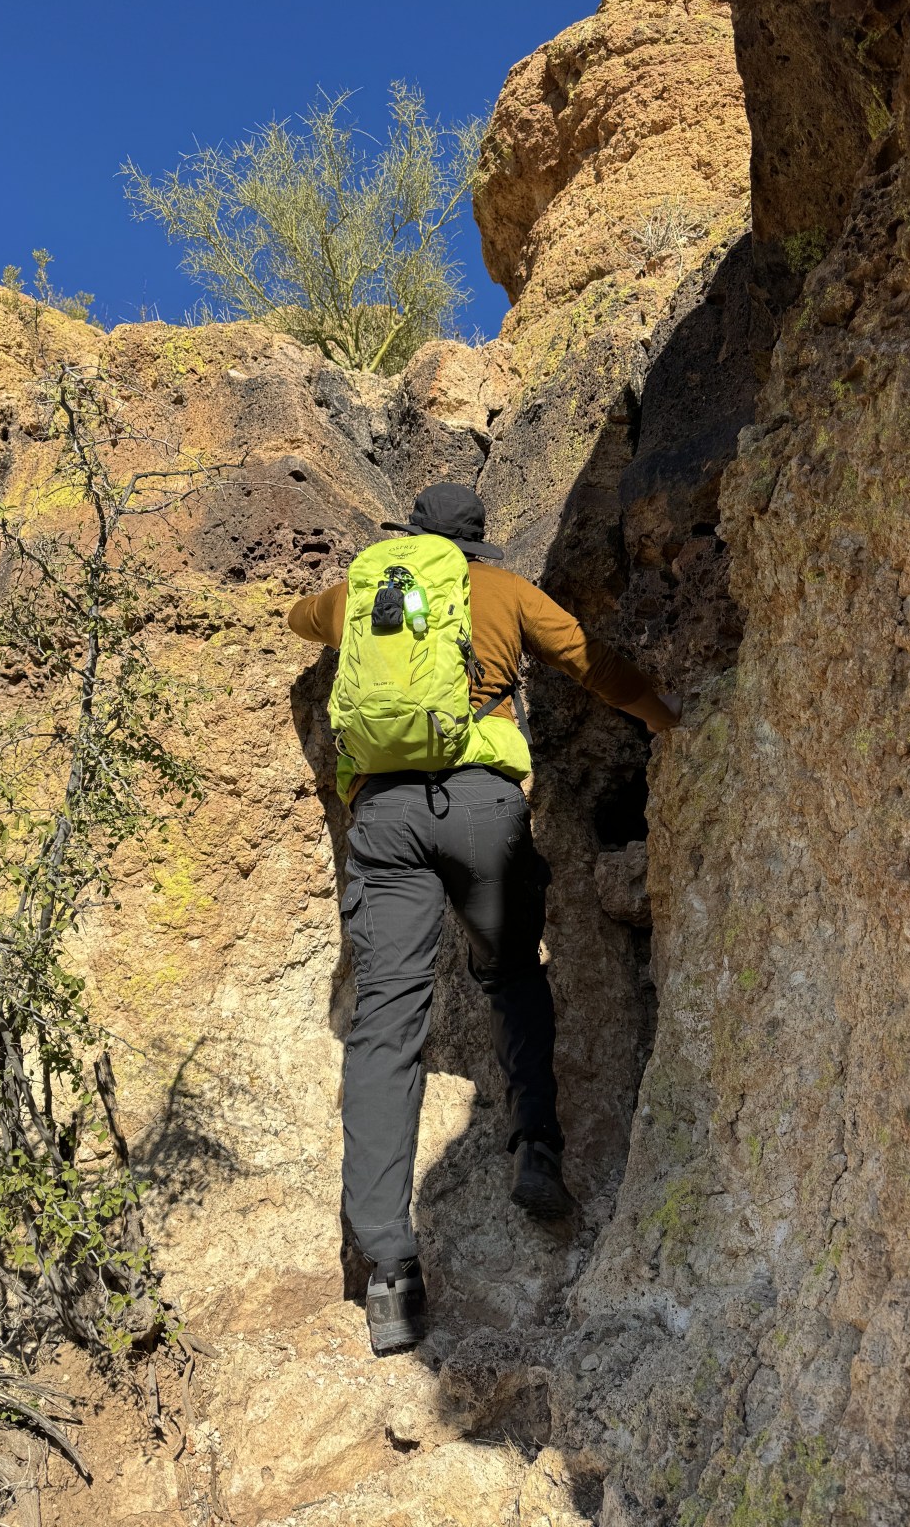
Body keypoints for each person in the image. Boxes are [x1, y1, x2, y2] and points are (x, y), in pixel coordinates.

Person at [288, 482, 681, 1353]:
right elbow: (588, 658)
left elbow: (299, 619)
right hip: (482, 809)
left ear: (415, 540)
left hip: (383, 818)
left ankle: (389, 1273)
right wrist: (664, 717)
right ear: (476, 544)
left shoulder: (365, 591)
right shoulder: (501, 593)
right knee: (511, 975)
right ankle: (536, 1149)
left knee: (386, 1029)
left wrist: (344, 612)